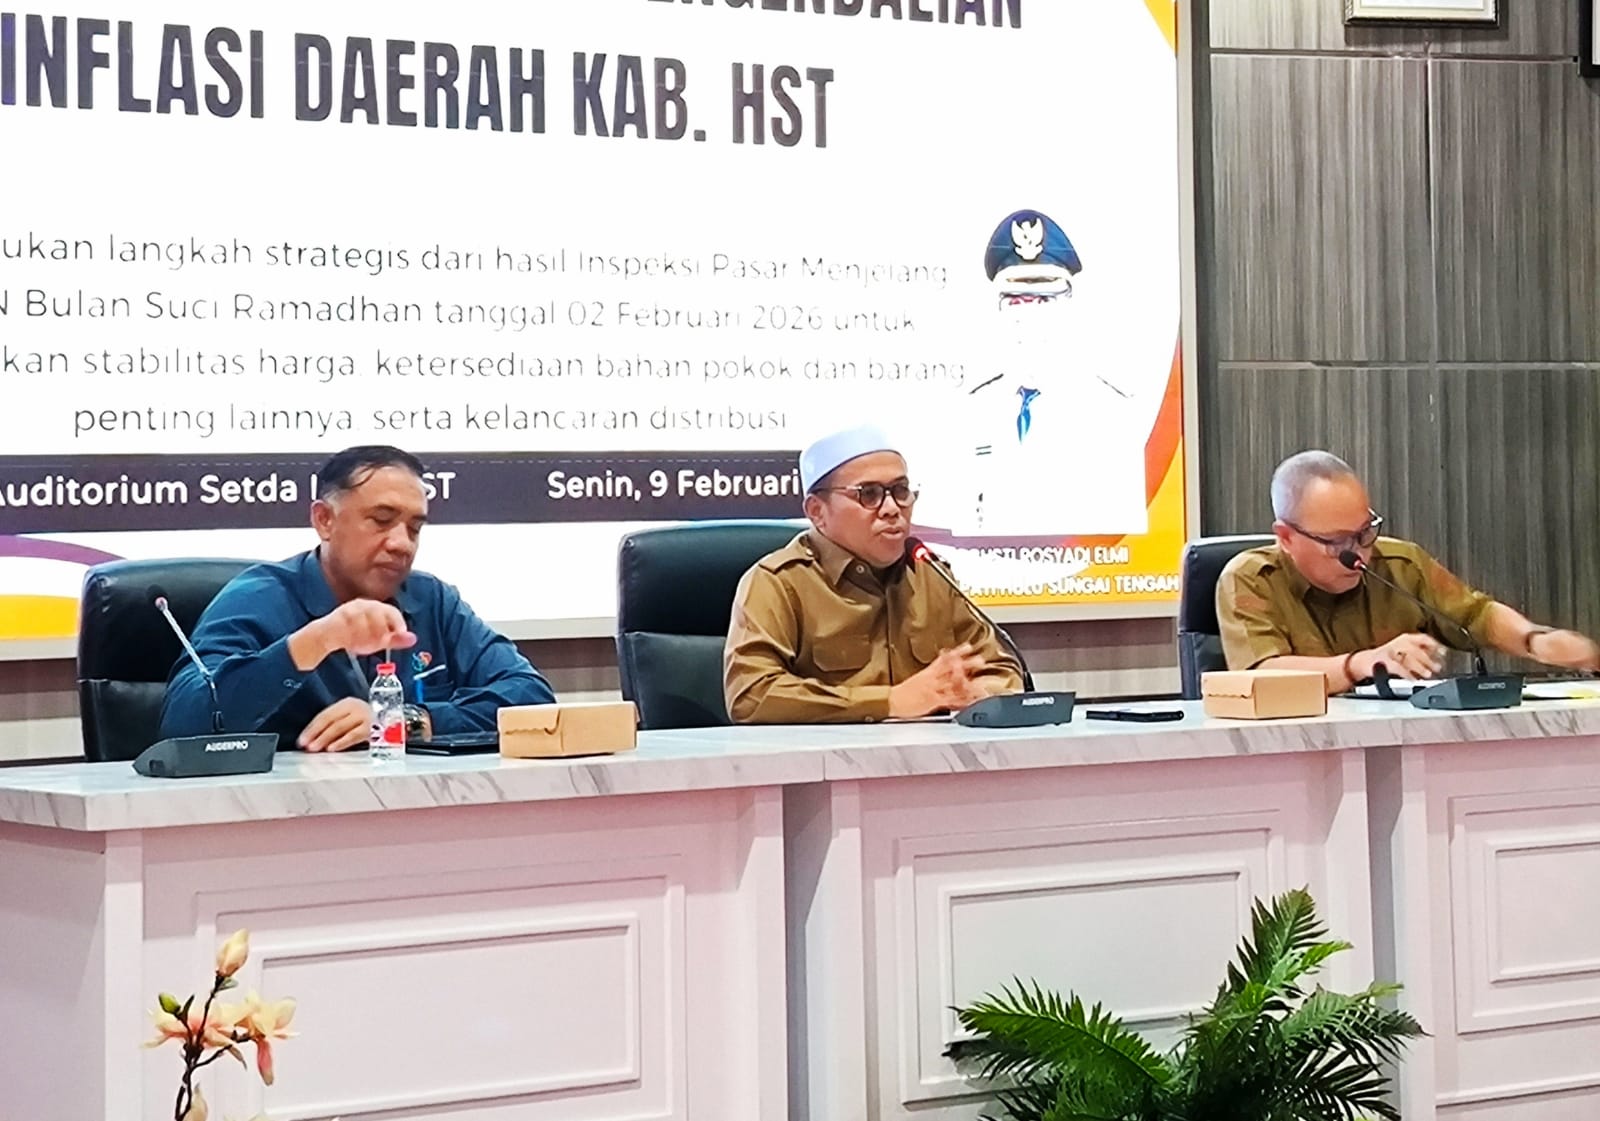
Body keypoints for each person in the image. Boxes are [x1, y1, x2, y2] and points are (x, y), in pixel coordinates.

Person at [159, 445, 555, 751]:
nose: (401, 543)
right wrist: (312, 643)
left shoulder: (432, 601)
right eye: (382, 521)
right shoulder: (259, 598)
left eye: (414, 528)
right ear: (324, 520)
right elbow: (182, 725)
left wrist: (403, 721)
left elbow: (532, 699)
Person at [1217, 450, 1599, 694]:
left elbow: (1475, 615)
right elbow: (1261, 674)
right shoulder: (1249, 579)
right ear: (1286, 537)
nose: (1358, 552)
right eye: (1337, 542)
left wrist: (1533, 640)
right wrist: (1360, 663)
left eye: (1365, 532)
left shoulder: (1401, 564)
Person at [723, 423, 1024, 723]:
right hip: (828, 753)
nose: (892, 508)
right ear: (817, 511)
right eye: (869, 494)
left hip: (929, 750)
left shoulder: (930, 574)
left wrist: (981, 692)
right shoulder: (778, 583)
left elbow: (1000, 668)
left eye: (901, 490)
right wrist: (889, 702)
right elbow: (751, 695)